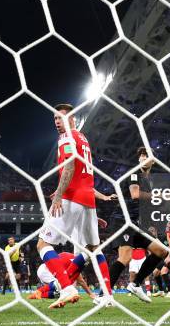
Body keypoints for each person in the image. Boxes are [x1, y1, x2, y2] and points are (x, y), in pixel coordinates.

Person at [37, 103, 116, 309]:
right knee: (93, 248)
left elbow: (70, 165)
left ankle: (66, 287)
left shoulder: (66, 137)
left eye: (60, 118)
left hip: (71, 198)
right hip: (86, 199)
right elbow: (84, 172)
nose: (56, 122)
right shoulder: (83, 138)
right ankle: (108, 295)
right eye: (54, 118)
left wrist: (59, 197)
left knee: (43, 244)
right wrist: (88, 212)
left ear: (71, 118)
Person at [107, 147, 168, 303]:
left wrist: (151, 225)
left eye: (147, 155)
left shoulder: (148, 181)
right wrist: (160, 195)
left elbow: (145, 206)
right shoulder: (134, 174)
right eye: (141, 155)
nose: (143, 157)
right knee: (125, 257)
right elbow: (135, 195)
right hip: (123, 220)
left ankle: (135, 284)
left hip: (137, 224)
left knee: (161, 251)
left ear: (153, 160)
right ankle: (104, 294)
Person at [28, 251, 95, 300]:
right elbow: (81, 281)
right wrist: (91, 294)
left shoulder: (69, 254)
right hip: (47, 271)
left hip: (43, 268)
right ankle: (39, 292)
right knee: (62, 287)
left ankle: (36, 295)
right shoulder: (77, 263)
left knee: (64, 288)